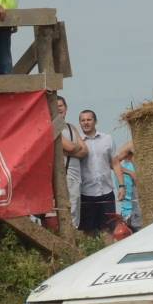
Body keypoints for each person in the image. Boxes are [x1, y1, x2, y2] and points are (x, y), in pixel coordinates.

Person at [76, 110, 125, 234]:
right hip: (86, 193)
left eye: (89, 119)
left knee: (109, 230)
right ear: (79, 123)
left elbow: (115, 163)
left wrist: (121, 186)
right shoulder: (77, 142)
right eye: (83, 120)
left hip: (106, 192)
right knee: (88, 231)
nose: (86, 123)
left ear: (95, 121)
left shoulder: (107, 139)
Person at [54, 96, 87, 230]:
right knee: (67, 207)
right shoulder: (54, 125)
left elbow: (85, 150)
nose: (59, 108)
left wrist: (68, 151)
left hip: (75, 175)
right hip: (63, 174)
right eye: (55, 106)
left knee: (75, 204)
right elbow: (71, 147)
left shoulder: (71, 127)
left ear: (66, 108)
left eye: (61, 106)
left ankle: (74, 231)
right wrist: (74, 148)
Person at [114, 142, 144, 231]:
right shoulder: (130, 168)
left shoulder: (122, 170)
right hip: (132, 214)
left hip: (131, 213)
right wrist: (130, 173)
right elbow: (113, 162)